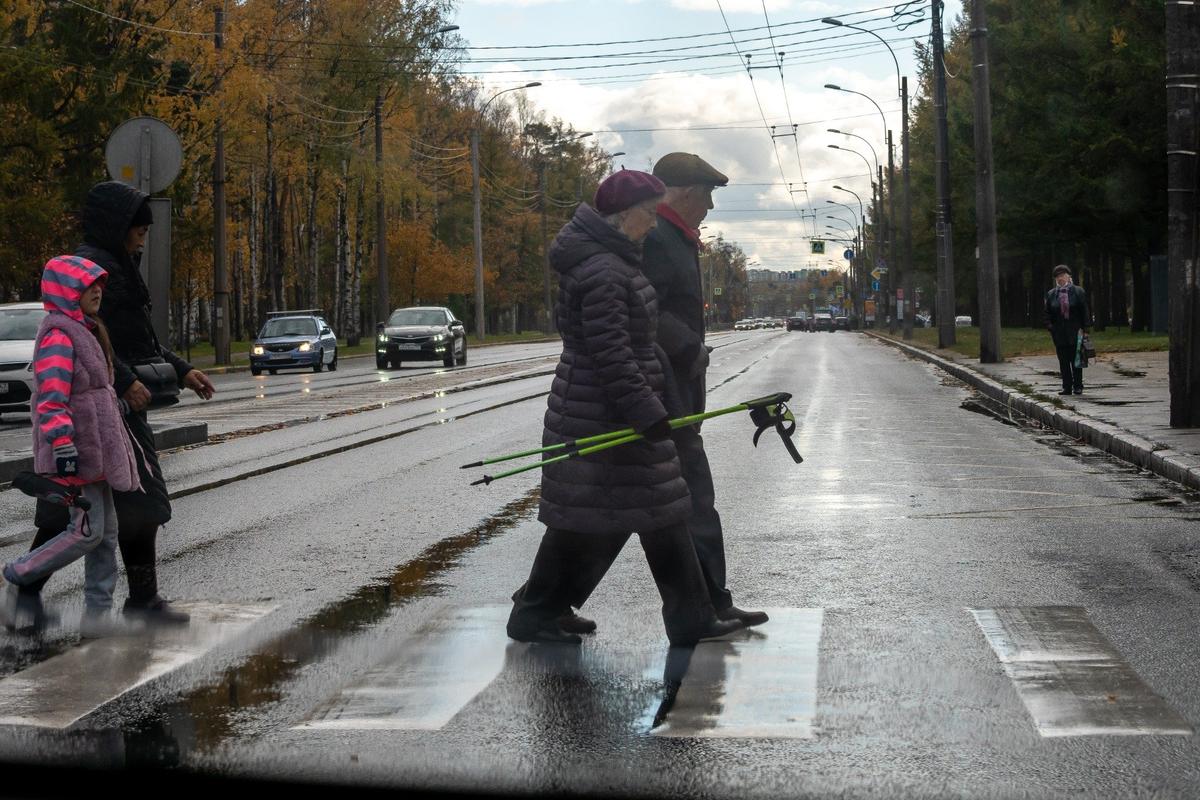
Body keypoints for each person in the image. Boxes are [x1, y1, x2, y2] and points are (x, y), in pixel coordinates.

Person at [507, 169, 746, 646]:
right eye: (648, 214)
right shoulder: (604, 273)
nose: (654, 224)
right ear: (623, 215)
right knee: (644, 512)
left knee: (623, 514)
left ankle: (541, 611)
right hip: (606, 412)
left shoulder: (614, 261)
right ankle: (686, 618)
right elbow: (611, 355)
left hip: (607, 407)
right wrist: (647, 411)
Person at [553, 153, 769, 631]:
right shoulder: (647, 242)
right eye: (707, 196)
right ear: (685, 194)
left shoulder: (666, 237)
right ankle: (702, 607)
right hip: (654, 394)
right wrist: (686, 352)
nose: (710, 207)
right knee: (675, 501)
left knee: (635, 508)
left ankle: (543, 604)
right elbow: (625, 334)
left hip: (662, 390)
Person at [23, 182, 215, 626]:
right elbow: (91, 338)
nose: (143, 232)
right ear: (116, 223)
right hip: (104, 410)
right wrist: (125, 382)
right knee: (95, 507)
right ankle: (28, 589)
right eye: (137, 224)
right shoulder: (92, 269)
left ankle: (115, 601)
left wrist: (182, 369)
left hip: (113, 408)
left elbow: (136, 338)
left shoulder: (117, 267)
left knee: (103, 511)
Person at [0, 256, 141, 636]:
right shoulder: (60, 335)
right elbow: (51, 399)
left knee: (104, 534)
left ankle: (97, 620)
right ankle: (19, 572)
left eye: (99, 284)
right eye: (86, 285)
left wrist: (117, 406)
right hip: (76, 451)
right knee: (87, 532)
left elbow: (92, 391)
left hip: (97, 449)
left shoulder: (88, 330)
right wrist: (62, 444)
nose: (96, 290)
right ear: (66, 292)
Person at [1044, 264, 1091, 395]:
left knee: (1077, 360)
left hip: (1076, 332)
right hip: (1059, 333)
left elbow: (1084, 311)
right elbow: (1047, 313)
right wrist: (1050, 327)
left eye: (1063, 275)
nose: (1060, 278)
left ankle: (1078, 386)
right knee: (1063, 361)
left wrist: (1086, 328)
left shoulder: (1078, 291)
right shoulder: (1051, 294)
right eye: (1058, 277)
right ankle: (1066, 387)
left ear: (1069, 276)